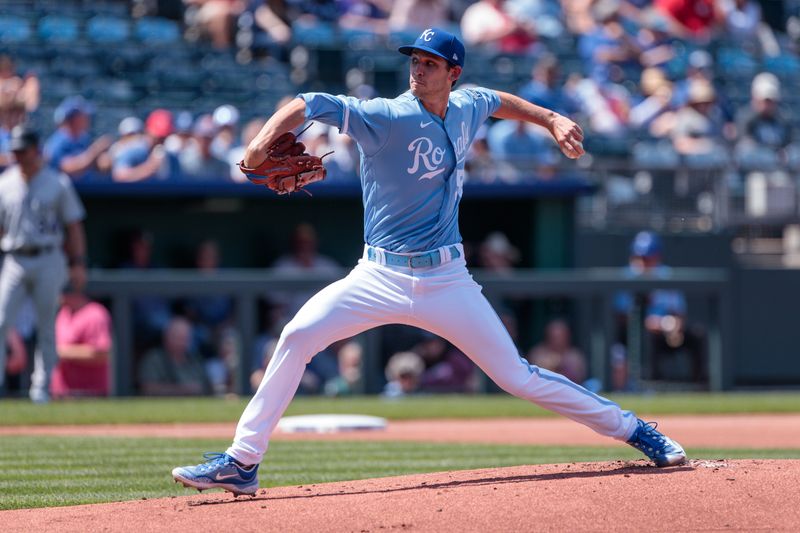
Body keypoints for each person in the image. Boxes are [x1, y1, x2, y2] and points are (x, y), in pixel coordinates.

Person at [172, 27, 686, 497]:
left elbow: (497, 101)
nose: (418, 68)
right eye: (415, 60)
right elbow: (311, 101)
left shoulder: (465, 105)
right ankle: (242, 462)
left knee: (517, 376)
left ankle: (637, 430)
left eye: (431, 62)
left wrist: (551, 118)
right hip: (378, 274)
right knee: (297, 337)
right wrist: (263, 141)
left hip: (447, 278)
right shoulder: (387, 116)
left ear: (453, 73)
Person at [0, 125, 87, 403]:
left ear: (36, 150)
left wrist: (78, 262)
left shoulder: (57, 182)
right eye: (15, 151)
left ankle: (42, 388)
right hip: (14, 257)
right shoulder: (5, 182)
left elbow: (73, 227)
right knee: (1, 321)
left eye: (22, 150)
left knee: (47, 325)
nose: (18, 156)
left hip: (49, 256)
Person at [50, 261, 113, 399]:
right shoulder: (62, 313)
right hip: (61, 394)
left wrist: (61, 352)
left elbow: (101, 353)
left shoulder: (95, 313)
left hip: (89, 396)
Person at [138, 316, 210, 396]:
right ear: (166, 337)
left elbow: (206, 386)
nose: (182, 342)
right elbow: (148, 389)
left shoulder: (195, 360)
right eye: (178, 338)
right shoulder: (154, 359)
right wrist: (184, 390)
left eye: (185, 338)